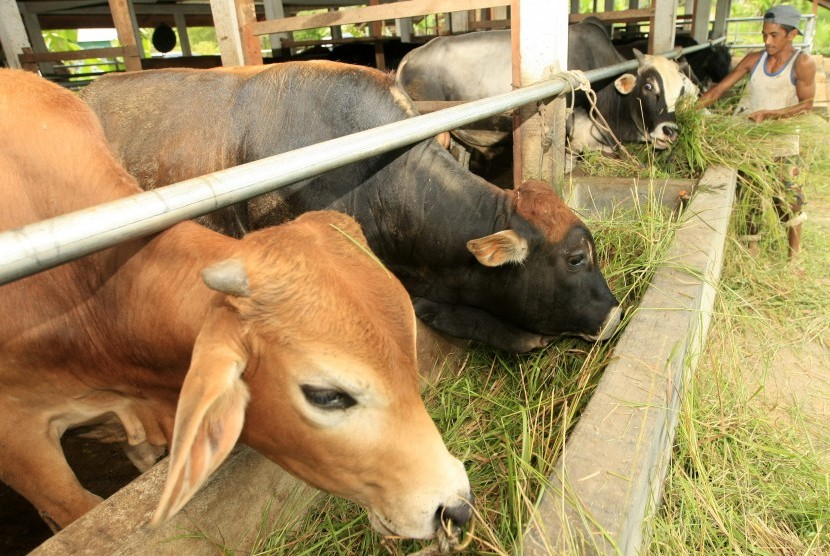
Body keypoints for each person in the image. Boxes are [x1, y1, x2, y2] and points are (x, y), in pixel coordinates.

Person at [698, 5, 816, 259]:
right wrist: (689, 110)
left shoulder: (802, 63)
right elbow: (718, 91)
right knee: (750, 197)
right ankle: (752, 251)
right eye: (764, 34)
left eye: (774, 35)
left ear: (792, 34)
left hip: (783, 141)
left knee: (788, 199)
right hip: (752, 140)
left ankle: (793, 259)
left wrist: (771, 115)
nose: (767, 41)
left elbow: (807, 105)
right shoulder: (754, 59)